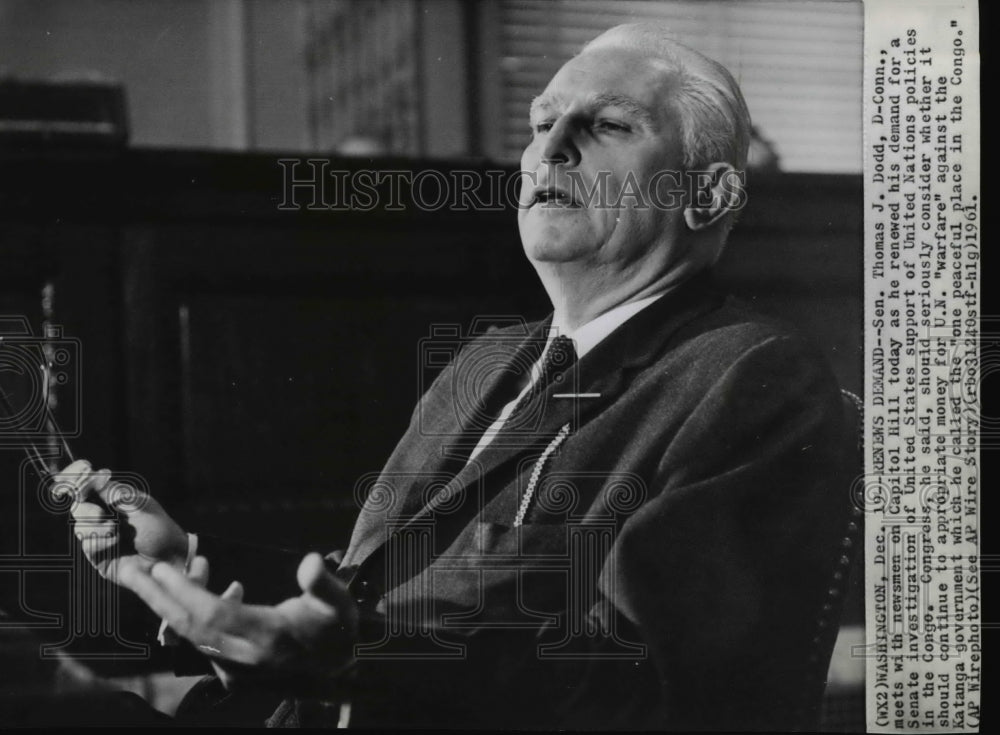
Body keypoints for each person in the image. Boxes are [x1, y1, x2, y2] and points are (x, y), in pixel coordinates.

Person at [56, 23, 856, 730]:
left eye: (608, 124)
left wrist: (357, 662)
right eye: (542, 123)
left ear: (709, 194)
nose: (550, 147)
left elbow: (643, 686)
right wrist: (186, 551)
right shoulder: (488, 360)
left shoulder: (753, 377)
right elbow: (369, 588)